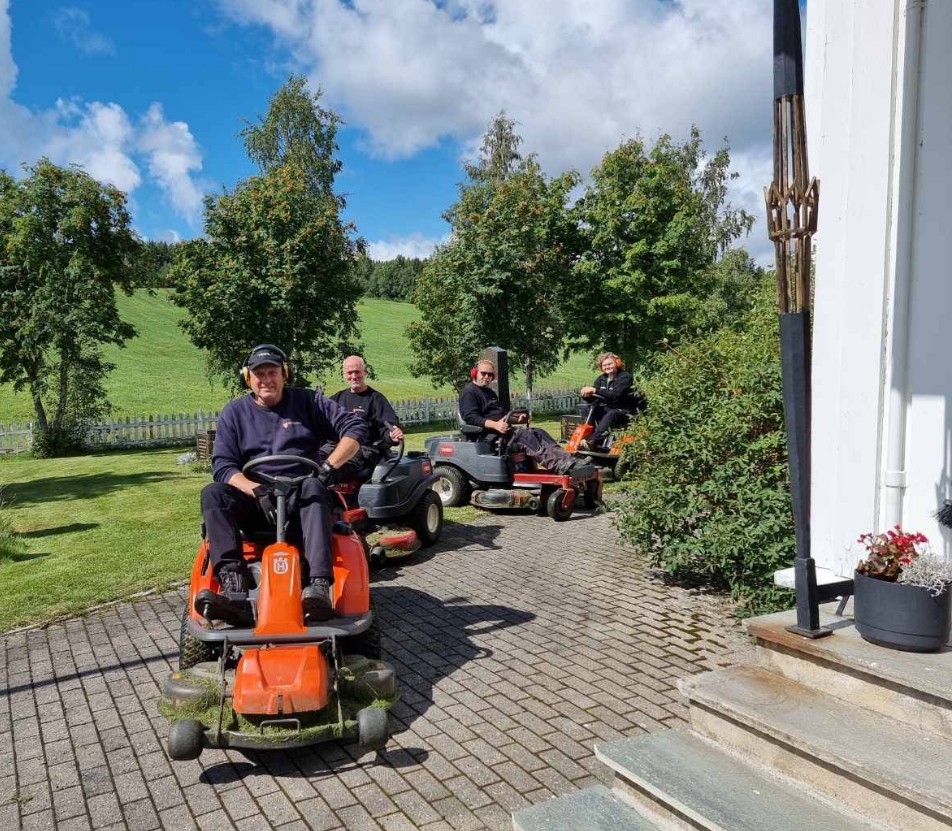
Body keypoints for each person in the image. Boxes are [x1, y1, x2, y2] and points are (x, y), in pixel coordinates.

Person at [197, 344, 367, 624]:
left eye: (272, 372)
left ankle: (318, 585)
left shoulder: (308, 402)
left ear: (284, 374)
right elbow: (223, 466)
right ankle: (234, 586)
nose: (266, 380)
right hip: (258, 501)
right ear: (247, 378)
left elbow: (355, 428)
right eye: (259, 374)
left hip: (303, 498)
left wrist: (328, 467)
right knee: (213, 494)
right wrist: (254, 489)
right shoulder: (234, 413)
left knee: (314, 487)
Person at [459, 359, 593, 476]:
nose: (487, 377)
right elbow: (470, 417)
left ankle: (569, 460)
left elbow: (500, 414)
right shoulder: (469, 392)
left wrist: (517, 418)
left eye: (490, 374)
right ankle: (559, 465)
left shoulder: (489, 392)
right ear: (475, 373)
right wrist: (495, 425)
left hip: (503, 430)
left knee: (539, 433)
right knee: (524, 436)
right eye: (483, 373)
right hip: (487, 435)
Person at [328, 355, 405, 478]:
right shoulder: (336, 399)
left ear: (365, 372)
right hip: (337, 447)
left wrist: (392, 435)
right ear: (344, 375)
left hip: (365, 450)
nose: (354, 376)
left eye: (357, 372)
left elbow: (387, 427)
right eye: (350, 373)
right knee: (310, 463)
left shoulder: (376, 399)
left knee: (329, 470)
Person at [578, 352, 647, 450]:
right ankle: (586, 438)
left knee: (612, 414)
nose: (607, 367)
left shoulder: (625, 377)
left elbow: (616, 395)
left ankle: (593, 441)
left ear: (617, 363)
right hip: (611, 408)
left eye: (610, 364)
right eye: (604, 365)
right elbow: (596, 397)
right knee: (587, 409)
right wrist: (586, 395)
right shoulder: (601, 379)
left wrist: (595, 390)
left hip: (628, 411)